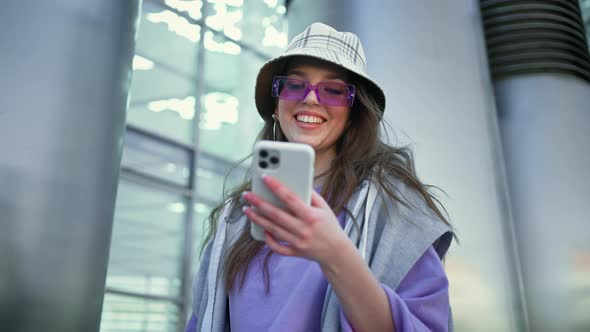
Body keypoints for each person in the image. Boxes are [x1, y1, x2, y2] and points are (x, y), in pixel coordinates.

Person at [186, 22, 454, 332]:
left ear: (354, 110)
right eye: (294, 85)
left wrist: (334, 253)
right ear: (276, 105)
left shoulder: (394, 208)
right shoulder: (235, 218)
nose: (311, 99)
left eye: (333, 90)